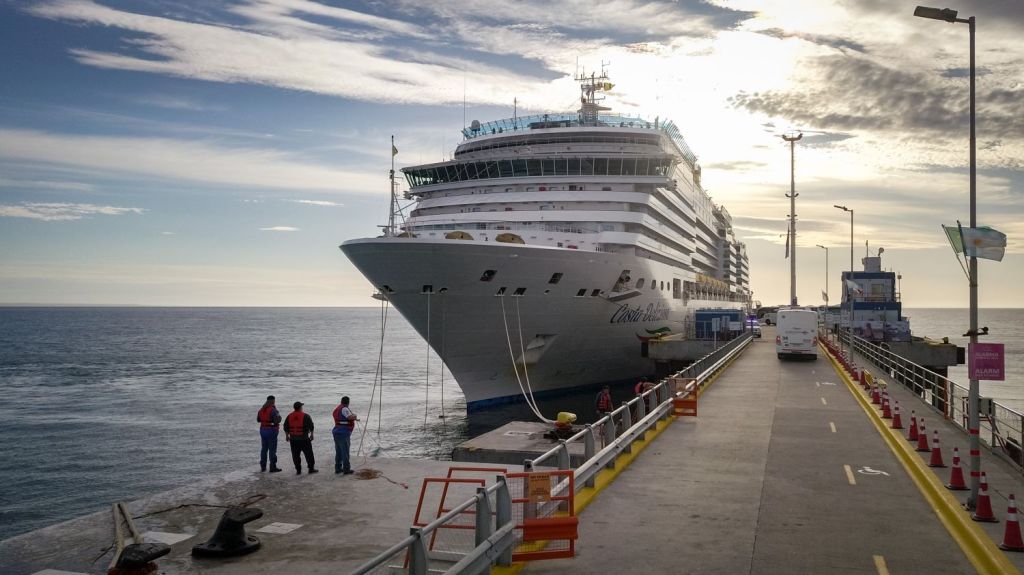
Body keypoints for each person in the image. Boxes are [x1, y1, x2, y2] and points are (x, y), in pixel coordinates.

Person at [284, 401, 317, 475]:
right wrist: (312, 435)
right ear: (300, 408)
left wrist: (287, 436)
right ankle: (311, 469)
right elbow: (311, 426)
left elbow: (285, 427)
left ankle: (298, 470)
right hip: (304, 439)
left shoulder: (289, 416)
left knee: (295, 455)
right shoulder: (306, 416)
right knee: (309, 454)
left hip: (293, 440)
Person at [257, 395, 282, 473]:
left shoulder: (261, 410)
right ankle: (272, 467)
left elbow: (258, 420)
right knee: (272, 450)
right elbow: (277, 421)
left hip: (263, 430)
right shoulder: (273, 410)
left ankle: (263, 466)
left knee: (264, 449)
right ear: (273, 401)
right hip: (271, 431)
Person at [332, 396, 357, 475]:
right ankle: (346, 469)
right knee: (345, 451)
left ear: (341, 401)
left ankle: (338, 468)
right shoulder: (345, 409)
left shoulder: (337, 409)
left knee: (338, 451)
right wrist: (355, 416)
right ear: (348, 402)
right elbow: (349, 417)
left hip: (336, 432)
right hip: (343, 432)